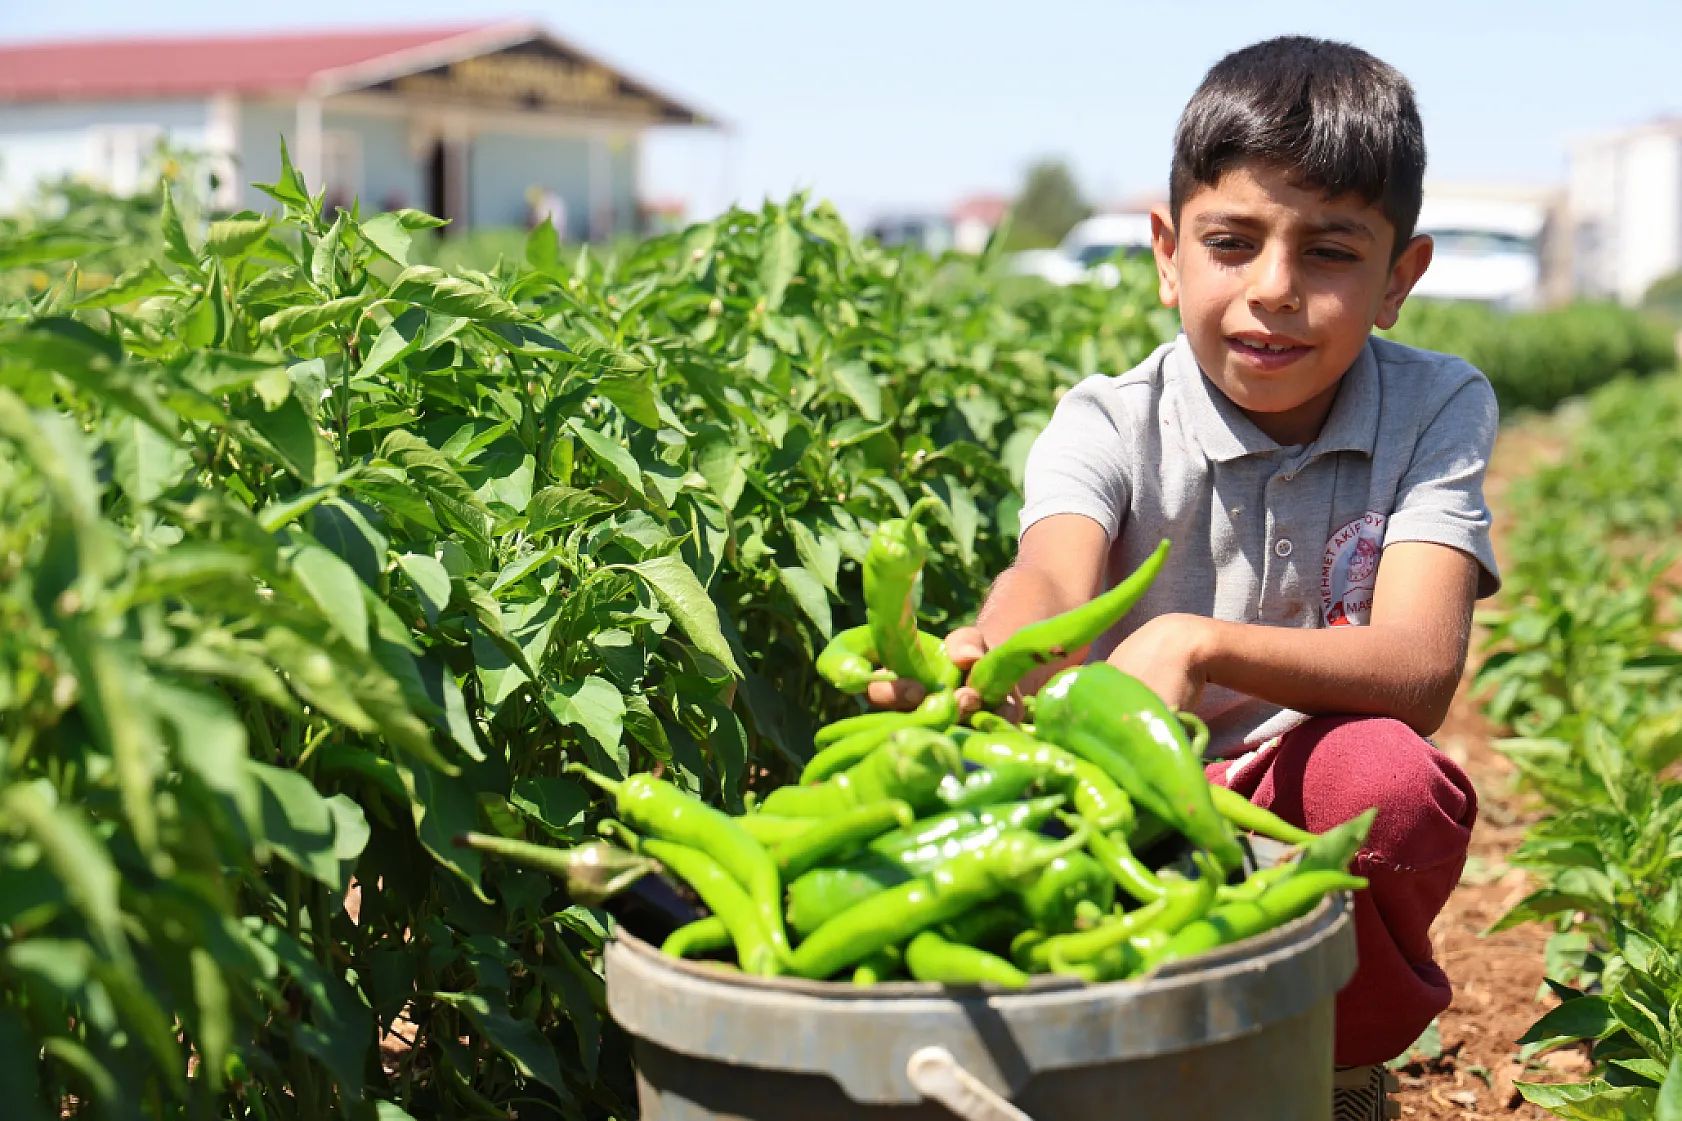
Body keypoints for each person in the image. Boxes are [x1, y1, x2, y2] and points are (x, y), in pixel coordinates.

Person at [870, 36, 1491, 1120]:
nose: (1273, 291)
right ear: (1166, 254)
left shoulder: (1433, 407)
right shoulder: (1109, 420)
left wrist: (1198, 640)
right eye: (1230, 242)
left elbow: (1420, 664)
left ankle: (1328, 1060)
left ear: (1399, 277)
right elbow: (1049, 576)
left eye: (1330, 253)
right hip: (1116, 796)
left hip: (1291, 797)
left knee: (1386, 786)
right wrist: (989, 651)